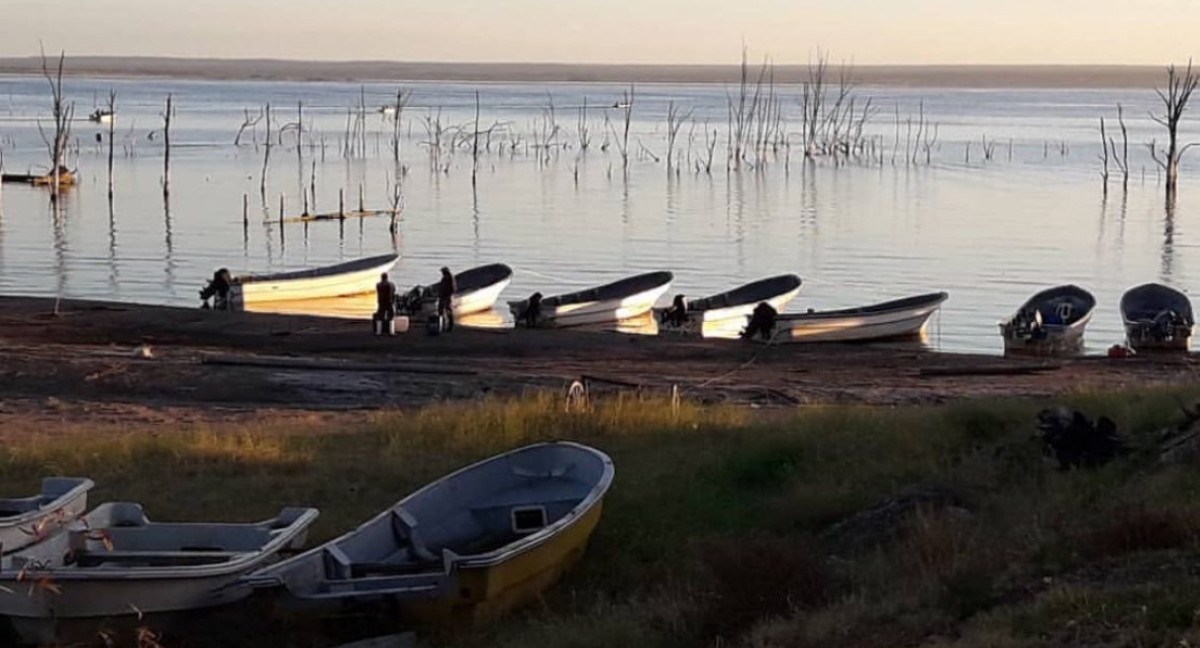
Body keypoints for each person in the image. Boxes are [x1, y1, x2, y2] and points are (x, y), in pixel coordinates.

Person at [437, 267, 457, 332]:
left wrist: (446, 294)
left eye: (442, 272)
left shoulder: (449, 278)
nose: (442, 273)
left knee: (447, 310)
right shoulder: (446, 278)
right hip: (443, 296)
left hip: (446, 296)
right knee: (441, 310)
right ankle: (442, 324)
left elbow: (452, 288)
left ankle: (449, 325)